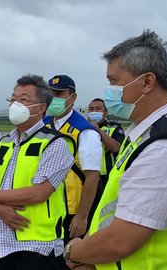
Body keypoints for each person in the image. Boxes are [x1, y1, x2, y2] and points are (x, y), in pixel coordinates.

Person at [64, 30, 167, 270]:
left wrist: (75, 251)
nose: (109, 90)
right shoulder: (143, 134)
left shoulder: (166, 147)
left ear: (147, 82)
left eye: (113, 81)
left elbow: (120, 240)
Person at [0, 74, 74, 270]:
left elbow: (39, 193)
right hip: (1, 238)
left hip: (37, 245)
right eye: (13, 99)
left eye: (23, 99)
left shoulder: (55, 143)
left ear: (41, 108)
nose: (16, 104)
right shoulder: (3, 142)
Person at [43, 75, 102, 244]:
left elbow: (92, 176)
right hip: (46, 206)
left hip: (71, 210)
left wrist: (82, 217)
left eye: (59, 94)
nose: (53, 98)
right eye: (50, 93)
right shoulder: (43, 124)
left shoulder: (84, 131)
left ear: (73, 98)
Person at [87, 98, 125, 187]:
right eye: (91, 109)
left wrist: (97, 129)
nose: (94, 111)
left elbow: (116, 148)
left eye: (98, 108)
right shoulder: (84, 128)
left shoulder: (114, 128)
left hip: (106, 175)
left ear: (105, 112)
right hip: (87, 173)